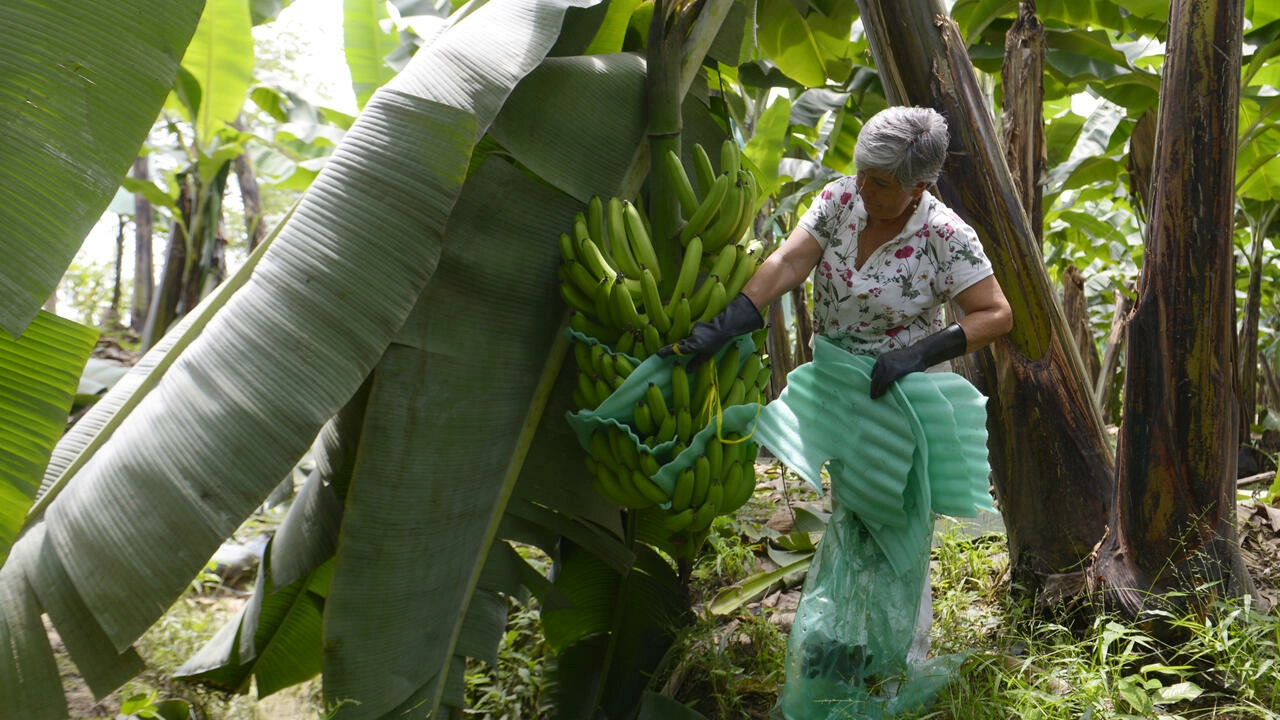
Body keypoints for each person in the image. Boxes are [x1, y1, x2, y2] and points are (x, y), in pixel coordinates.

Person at [660, 105, 1013, 718]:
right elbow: (792, 261)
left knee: (899, 523)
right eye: (862, 172)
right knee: (851, 512)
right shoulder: (841, 199)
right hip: (839, 384)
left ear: (918, 187)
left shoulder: (946, 235)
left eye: (879, 181)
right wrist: (734, 316)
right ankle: (849, 644)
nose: (863, 186)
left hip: (903, 394)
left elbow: (995, 313)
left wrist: (917, 353)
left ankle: (899, 659)